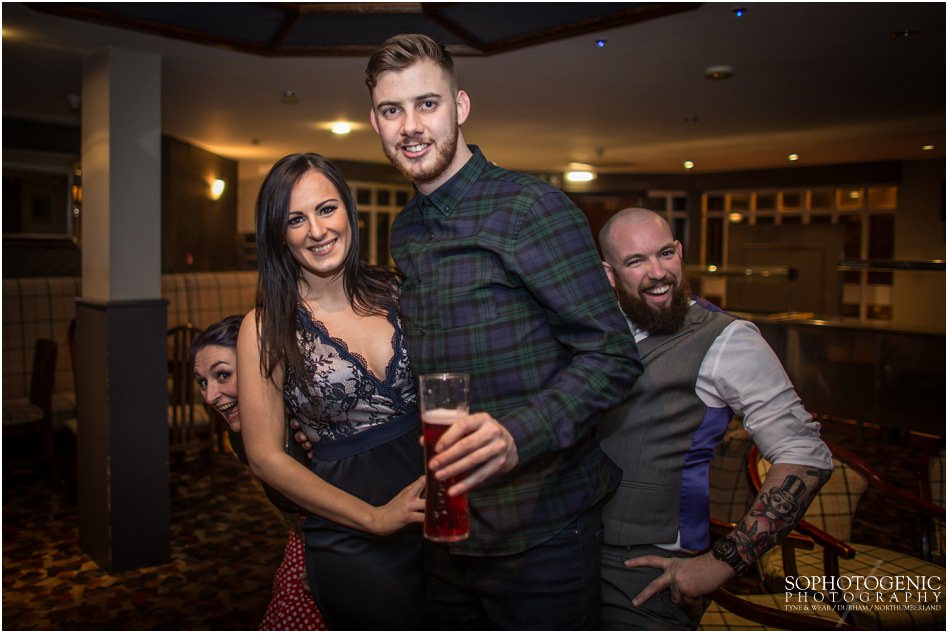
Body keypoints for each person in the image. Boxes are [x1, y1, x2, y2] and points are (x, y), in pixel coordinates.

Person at [364, 34, 643, 629]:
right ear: (375, 122)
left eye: (427, 104)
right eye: (392, 110)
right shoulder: (405, 229)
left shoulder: (530, 208)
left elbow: (613, 355)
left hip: (541, 530)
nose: (410, 126)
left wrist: (519, 434)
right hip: (448, 528)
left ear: (460, 106)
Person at [596, 207, 834, 629]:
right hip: (575, 549)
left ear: (680, 251)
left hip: (648, 566)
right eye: (636, 261)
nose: (658, 273)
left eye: (665, 253)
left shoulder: (727, 339)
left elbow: (804, 454)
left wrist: (724, 561)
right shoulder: (595, 331)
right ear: (610, 274)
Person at [236, 153, 427, 630]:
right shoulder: (265, 328)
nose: (317, 231)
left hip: (437, 515)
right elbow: (265, 457)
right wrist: (374, 518)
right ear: (278, 234)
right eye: (295, 219)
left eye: (326, 209)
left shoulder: (399, 290)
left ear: (348, 210)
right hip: (353, 536)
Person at [191, 316, 326, 631]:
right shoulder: (241, 438)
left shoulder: (310, 419)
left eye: (223, 375)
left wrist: (326, 559)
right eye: (202, 382)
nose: (210, 397)